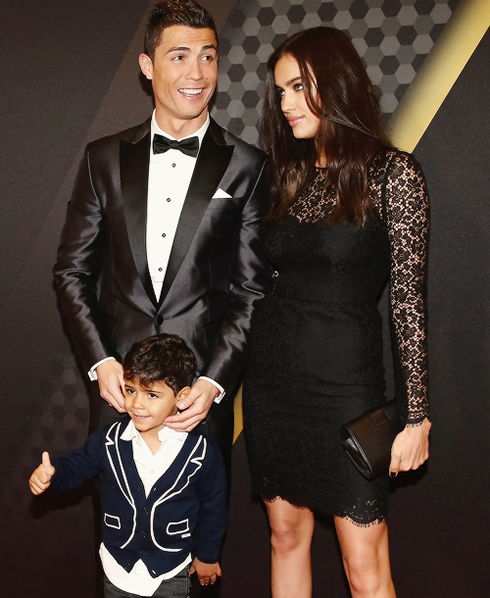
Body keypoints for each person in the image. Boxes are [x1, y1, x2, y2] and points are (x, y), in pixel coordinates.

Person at [242, 27, 431, 598]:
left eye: (300, 87)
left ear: (339, 82)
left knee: (364, 567)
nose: (287, 104)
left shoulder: (394, 176)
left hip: (347, 391)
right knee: (283, 537)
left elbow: (408, 301)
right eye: (280, 92)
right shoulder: (285, 177)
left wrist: (416, 415)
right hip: (274, 385)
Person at [52, 0, 271, 474]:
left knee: (199, 541)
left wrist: (214, 383)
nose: (197, 72)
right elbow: (72, 272)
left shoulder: (247, 165)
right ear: (147, 66)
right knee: (116, 538)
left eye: (208, 55)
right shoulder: (103, 158)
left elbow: (252, 290)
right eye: (179, 56)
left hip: (197, 400)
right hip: (119, 393)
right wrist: (101, 363)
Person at [29, 333, 227, 598]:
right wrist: (54, 473)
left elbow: (214, 508)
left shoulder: (202, 452)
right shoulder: (108, 440)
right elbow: (79, 464)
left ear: (182, 396)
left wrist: (207, 556)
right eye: (131, 390)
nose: (137, 404)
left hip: (172, 570)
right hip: (117, 568)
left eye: (152, 395)